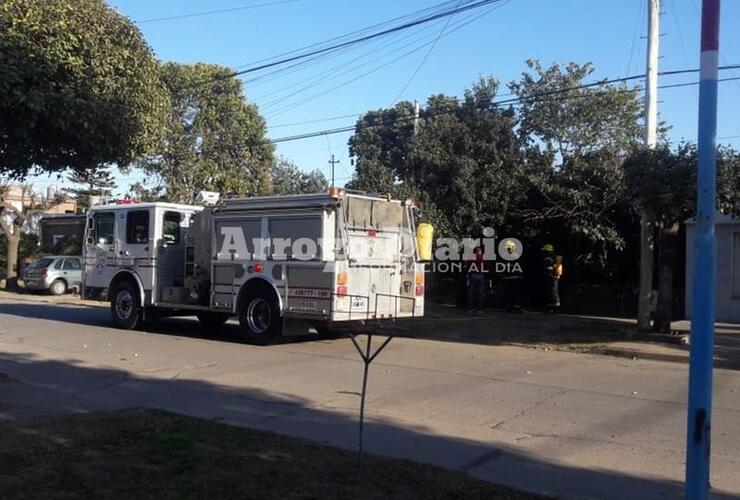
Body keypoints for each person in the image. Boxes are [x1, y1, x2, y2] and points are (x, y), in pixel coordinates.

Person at [501, 239, 523, 312]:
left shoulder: (504, 256)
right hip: (514, 278)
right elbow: (518, 267)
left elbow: (502, 268)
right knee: (514, 293)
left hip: (508, 278)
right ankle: (514, 306)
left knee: (509, 293)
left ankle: (510, 306)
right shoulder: (515, 256)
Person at [541, 244, 561, 313]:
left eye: (544, 251)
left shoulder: (548, 258)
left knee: (551, 292)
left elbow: (548, 268)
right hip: (555, 277)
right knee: (554, 291)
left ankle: (551, 307)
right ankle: (556, 307)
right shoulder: (555, 257)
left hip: (550, 277)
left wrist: (546, 272)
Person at [466, 246, 486, 313]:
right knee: (480, 293)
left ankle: (470, 308)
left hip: (473, 275)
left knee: (472, 292)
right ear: (480, 251)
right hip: (480, 275)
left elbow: (468, 266)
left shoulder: (471, 257)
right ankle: (479, 308)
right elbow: (485, 266)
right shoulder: (482, 257)